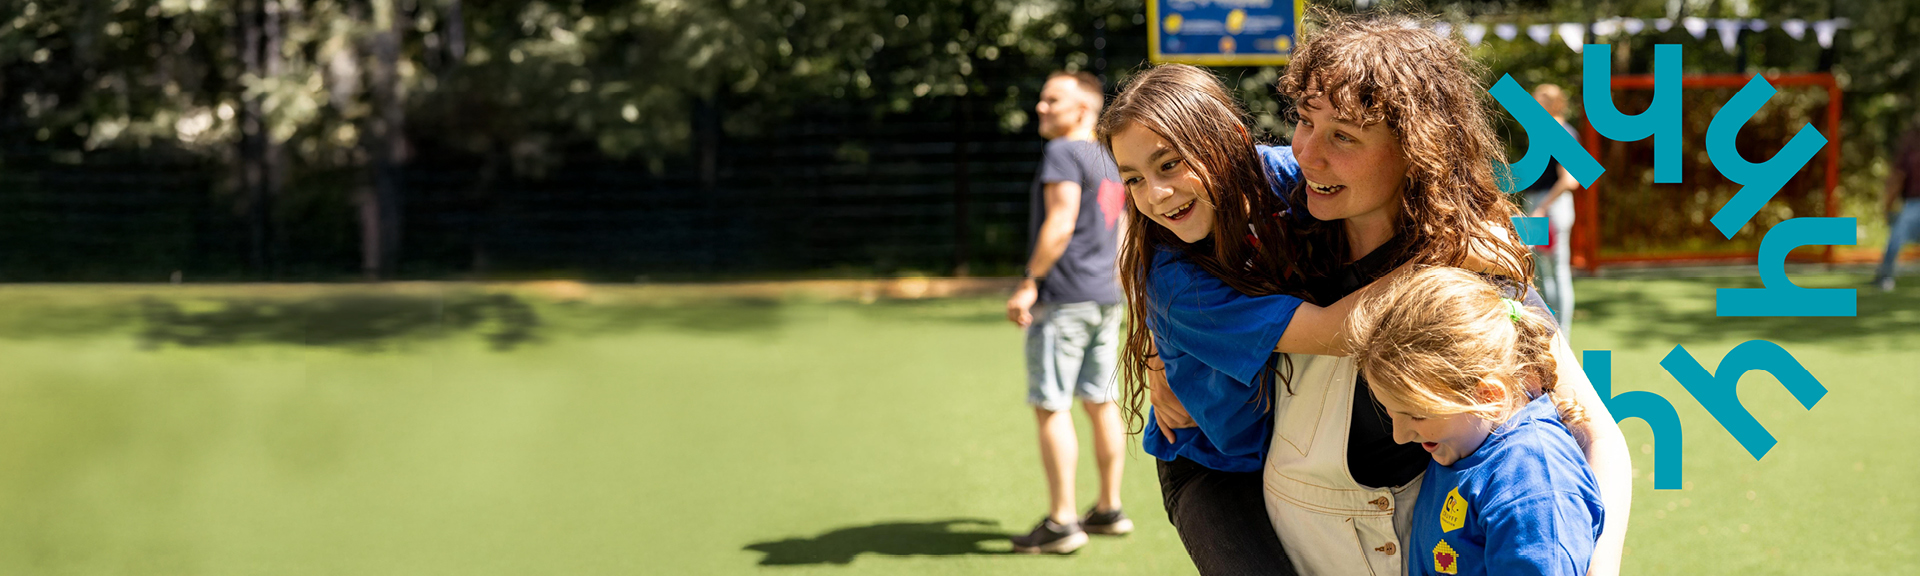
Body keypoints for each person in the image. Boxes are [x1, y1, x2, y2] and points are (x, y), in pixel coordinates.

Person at [1100, 15, 1632, 576]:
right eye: (1303, 122)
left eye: (1343, 136)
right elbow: (1324, 327)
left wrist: (1602, 563)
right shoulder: (1301, 223)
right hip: (1215, 464)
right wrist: (1166, 346)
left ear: (1416, 147)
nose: (1305, 153)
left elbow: (1591, 427)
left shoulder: (1463, 259)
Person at [1348, 267, 1605, 576]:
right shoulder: (1469, 440)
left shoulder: (1533, 487)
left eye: (1417, 414)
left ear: (1488, 397)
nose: (1400, 436)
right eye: (1391, 411)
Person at [1003, 70, 1131, 554]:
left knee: (1051, 405)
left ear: (1082, 109)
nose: (1041, 106)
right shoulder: (1108, 156)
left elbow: (1060, 221)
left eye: (1052, 99)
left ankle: (1062, 522)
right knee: (1101, 401)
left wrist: (1030, 283)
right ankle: (1108, 508)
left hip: (1063, 298)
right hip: (1105, 297)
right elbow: (1122, 227)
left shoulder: (1062, 153)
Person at [1519, 84, 1581, 333]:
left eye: (1539, 99)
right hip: (1537, 204)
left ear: (1553, 104)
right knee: (1540, 273)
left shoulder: (1561, 133)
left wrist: (1541, 208)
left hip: (1550, 207)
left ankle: (1561, 339)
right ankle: (1548, 335)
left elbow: (1570, 180)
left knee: (1557, 271)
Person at [1874, 121, 1920, 292]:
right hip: (1914, 203)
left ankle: (1885, 277)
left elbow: (1896, 180)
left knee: (1895, 240)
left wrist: (1887, 207)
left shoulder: (1909, 153)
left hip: (1914, 204)